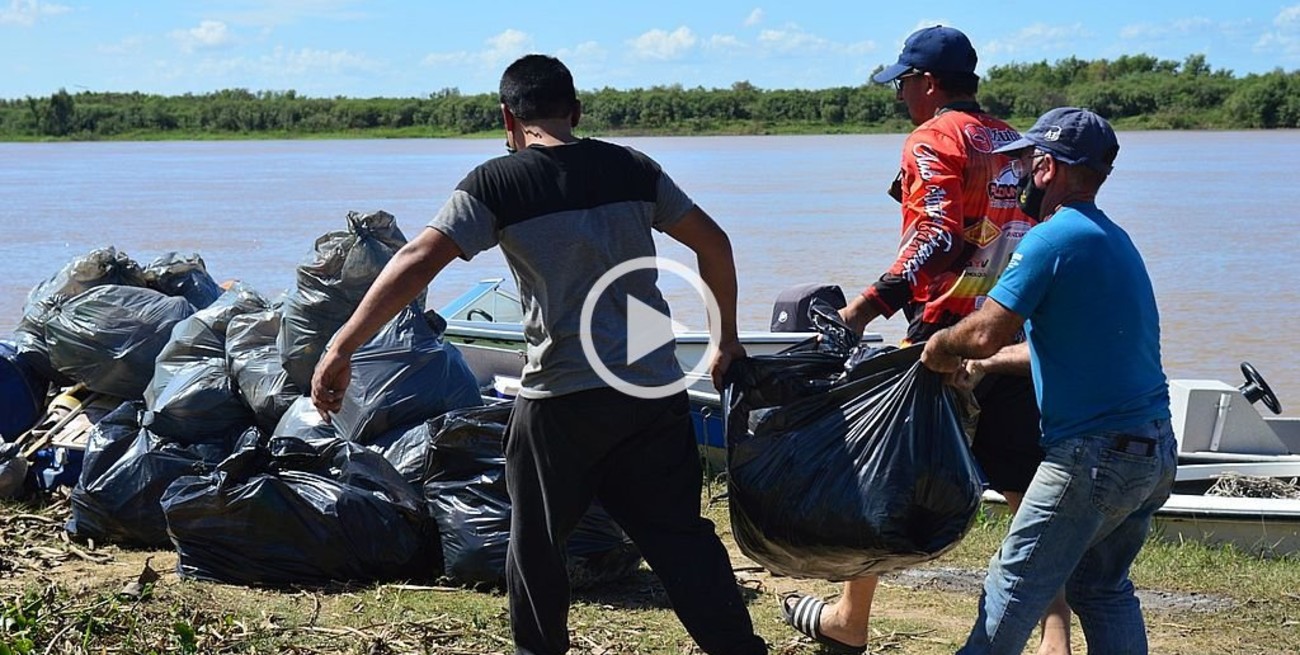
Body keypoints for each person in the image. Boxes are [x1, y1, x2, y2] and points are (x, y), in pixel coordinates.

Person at [311, 54, 767, 655]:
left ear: (508, 116)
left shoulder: (497, 183)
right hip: (652, 389)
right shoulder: (632, 168)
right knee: (682, 538)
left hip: (562, 396)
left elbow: (417, 258)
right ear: (574, 111)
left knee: (536, 547)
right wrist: (723, 337)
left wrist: (342, 345)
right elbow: (715, 242)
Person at [779, 25, 1071, 655]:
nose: (900, 94)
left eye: (904, 82)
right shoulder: (1015, 143)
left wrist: (863, 308)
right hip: (1013, 332)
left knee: (887, 475)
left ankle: (849, 621)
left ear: (929, 84)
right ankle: (1055, 640)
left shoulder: (934, 137)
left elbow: (935, 236)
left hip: (946, 337)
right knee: (1026, 492)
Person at [921, 107, 1178, 655]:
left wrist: (939, 348)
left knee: (1011, 586)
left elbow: (987, 331)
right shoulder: (1112, 239)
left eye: (1025, 163)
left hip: (1093, 457)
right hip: (1154, 448)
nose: (1017, 179)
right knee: (1101, 588)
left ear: (1045, 167)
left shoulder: (1048, 241)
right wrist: (987, 367)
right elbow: (1055, 344)